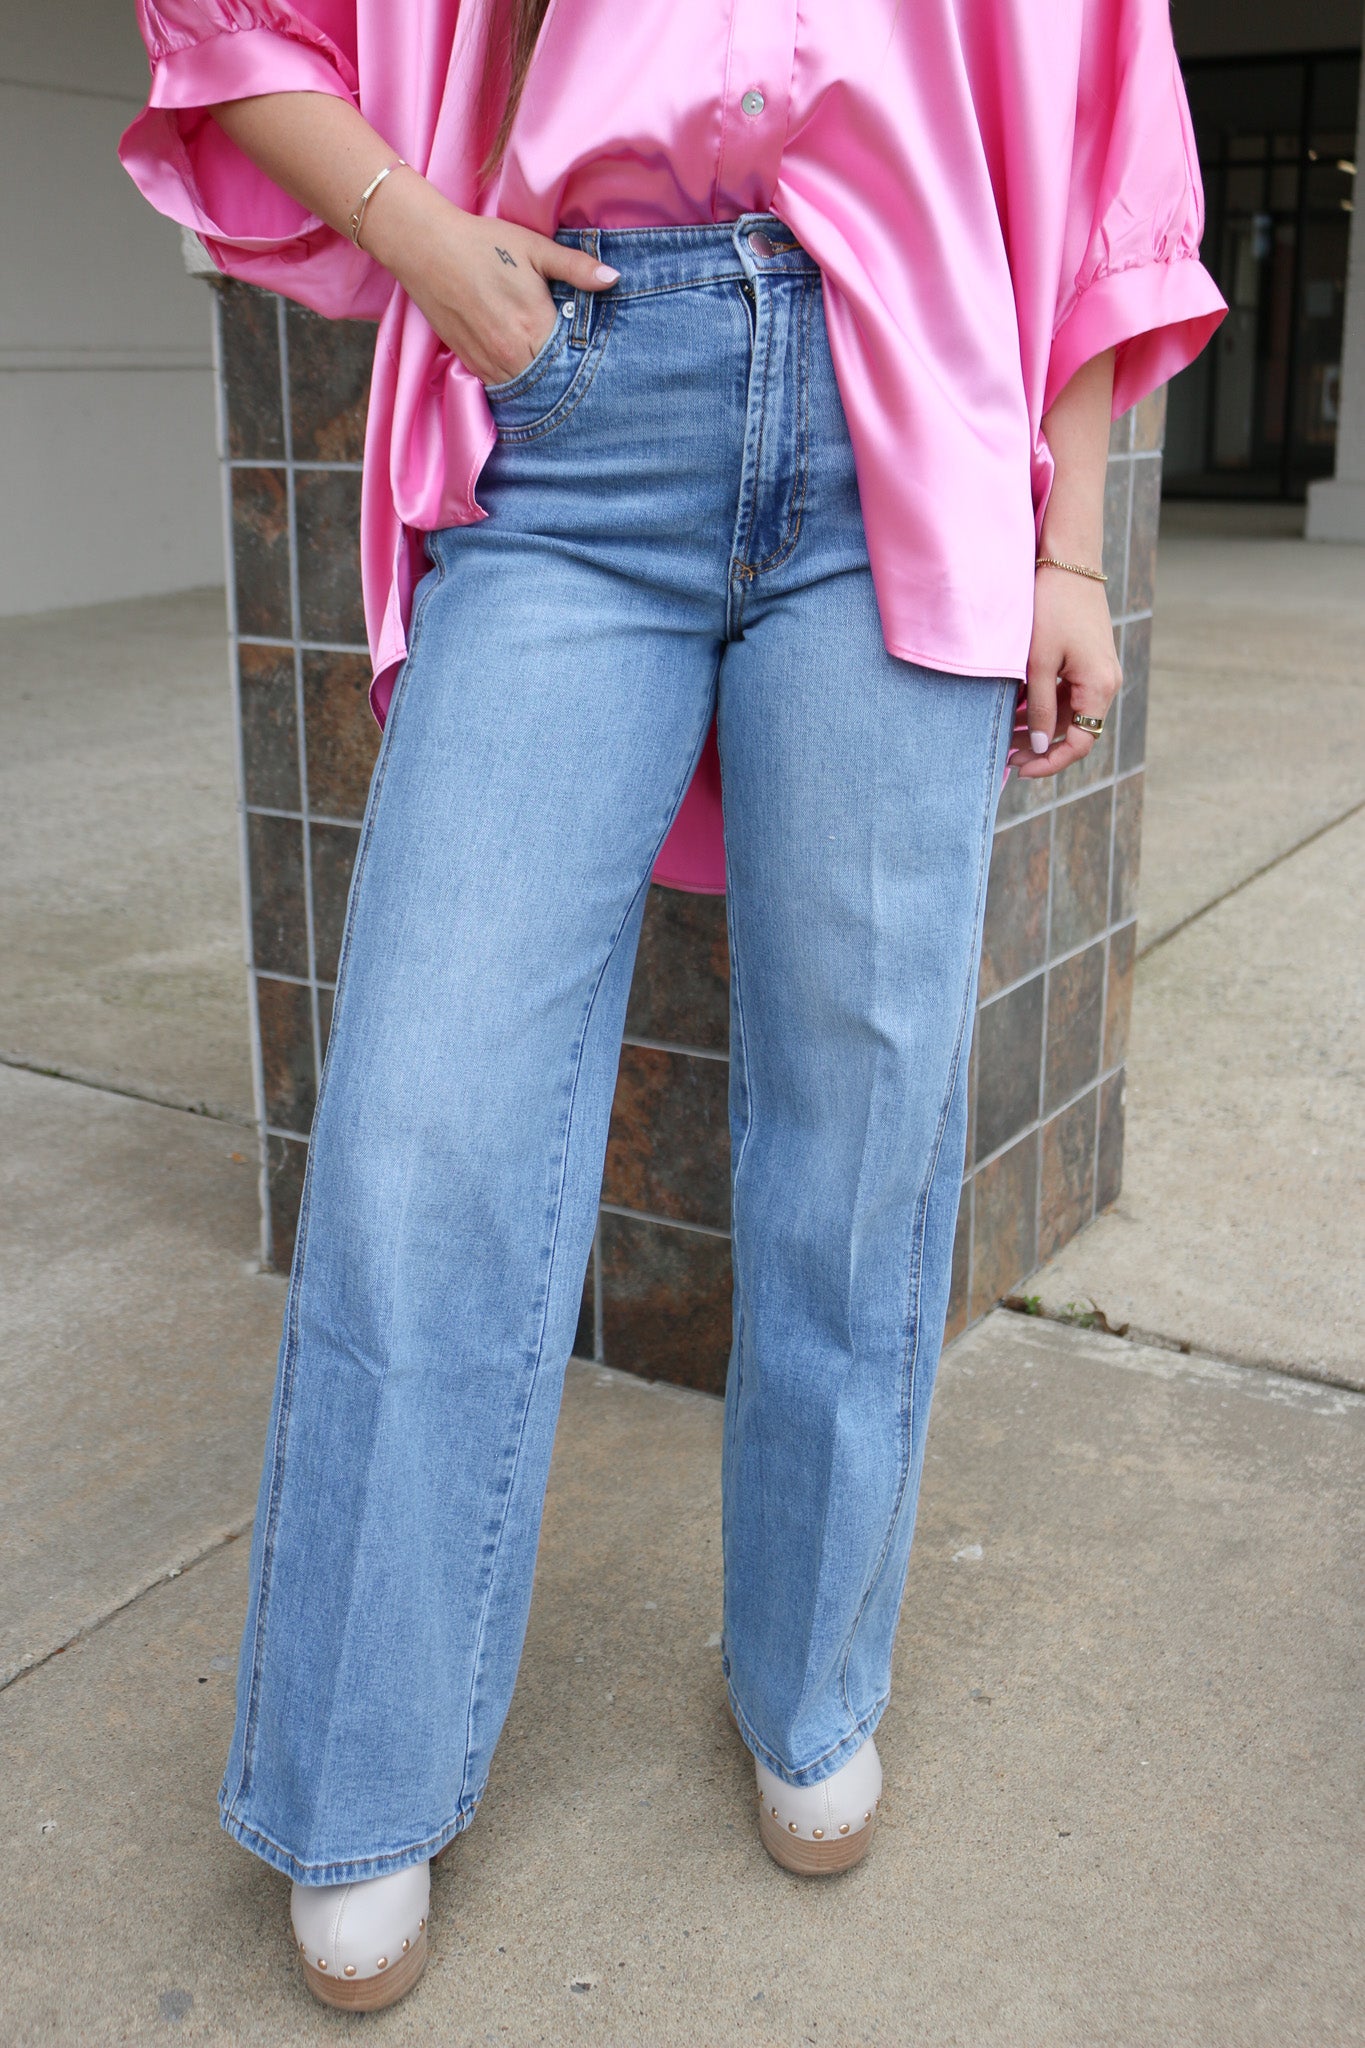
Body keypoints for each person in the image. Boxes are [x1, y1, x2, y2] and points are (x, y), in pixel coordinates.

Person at [121, 0, 1224, 2011]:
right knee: (425, 1113)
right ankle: (362, 1767)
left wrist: (1069, 539)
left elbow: (1090, 111)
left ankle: (810, 1680)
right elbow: (225, 21)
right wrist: (416, 234)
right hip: (571, 396)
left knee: (860, 1109)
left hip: (908, 414)